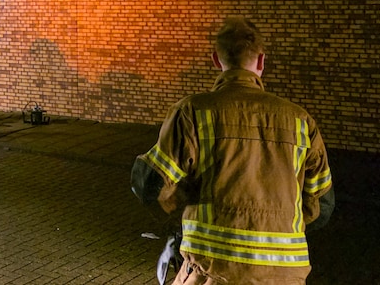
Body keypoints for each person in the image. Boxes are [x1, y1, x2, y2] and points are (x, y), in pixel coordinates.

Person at [131, 17, 334, 285]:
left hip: (212, 271)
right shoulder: (301, 121)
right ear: (261, 61)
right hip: (286, 275)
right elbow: (322, 204)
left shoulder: (193, 112)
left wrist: (184, 201)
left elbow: (149, 184)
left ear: (217, 60)